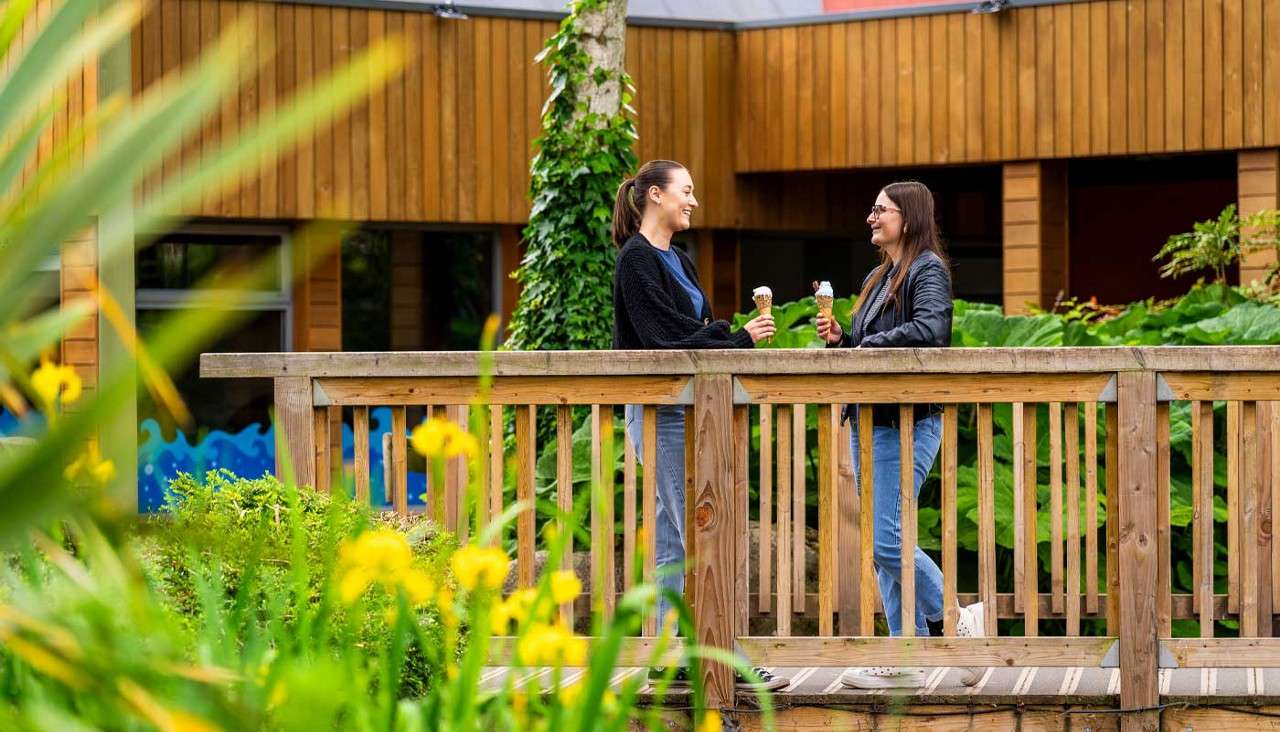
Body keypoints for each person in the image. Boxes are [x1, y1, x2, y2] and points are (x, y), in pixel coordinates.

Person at [612, 159, 786, 692]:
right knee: (699, 527)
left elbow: (698, 326)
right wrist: (736, 339)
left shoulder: (680, 260)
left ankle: (672, 659)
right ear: (656, 196)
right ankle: (723, 655)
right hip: (660, 409)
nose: (693, 201)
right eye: (686, 191)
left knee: (674, 533)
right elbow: (665, 338)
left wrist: (723, 333)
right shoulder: (635, 261)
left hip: (691, 410)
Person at [816, 181, 986, 690]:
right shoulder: (878, 275)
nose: (871, 217)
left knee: (887, 539)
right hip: (869, 420)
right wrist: (843, 341)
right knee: (880, 541)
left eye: (880, 210)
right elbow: (871, 343)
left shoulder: (927, 268)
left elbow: (932, 329)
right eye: (871, 209)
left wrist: (865, 344)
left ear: (908, 218)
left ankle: (957, 621)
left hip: (905, 420)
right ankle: (903, 653)